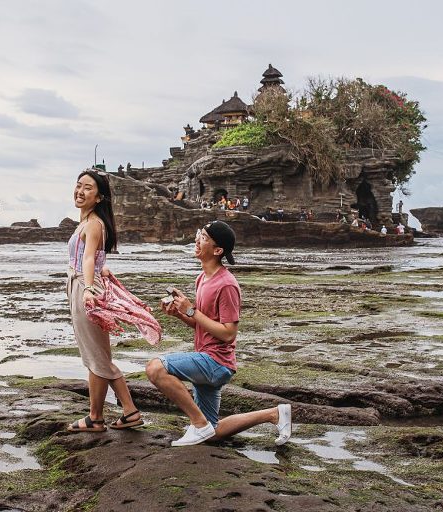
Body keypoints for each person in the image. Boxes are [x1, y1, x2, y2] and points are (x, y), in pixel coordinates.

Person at [146, 221, 291, 447]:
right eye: (199, 235)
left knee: (155, 368)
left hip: (216, 363)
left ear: (217, 250)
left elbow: (228, 334)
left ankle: (198, 423)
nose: (197, 240)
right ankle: (274, 414)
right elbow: (203, 325)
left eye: (203, 238)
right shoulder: (202, 279)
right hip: (206, 358)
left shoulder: (227, 285)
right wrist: (179, 314)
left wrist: (191, 310)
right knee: (212, 432)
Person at [66, 169, 144, 433]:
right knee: (96, 355)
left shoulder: (93, 223)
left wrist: (88, 287)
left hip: (85, 288)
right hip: (82, 284)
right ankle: (103, 416)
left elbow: (88, 258)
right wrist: (101, 271)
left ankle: (107, 415)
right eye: (79, 186)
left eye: (88, 188)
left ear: (99, 197)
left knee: (98, 356)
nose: (80, 191)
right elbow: (95, 258)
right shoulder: (89, 222)